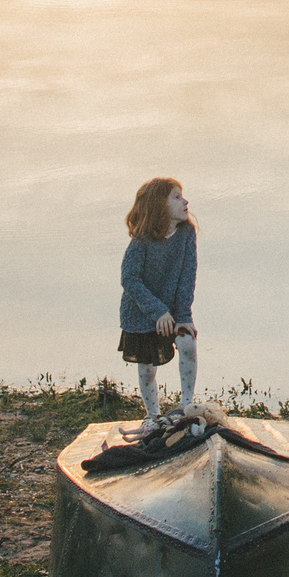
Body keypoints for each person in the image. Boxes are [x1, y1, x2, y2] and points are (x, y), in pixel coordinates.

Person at [118, 176, 198, 421]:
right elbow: (130, 279)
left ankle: (187, 407)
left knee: (188, 344)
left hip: (173, 311)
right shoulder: (141, 240)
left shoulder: (186, 234)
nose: (185, 202)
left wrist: (183, 316)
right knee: (147, 369)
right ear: (159, 205)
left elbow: (187, 277)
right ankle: (152, 415)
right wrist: (158, 312)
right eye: (177, 197)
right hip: (142, 312)